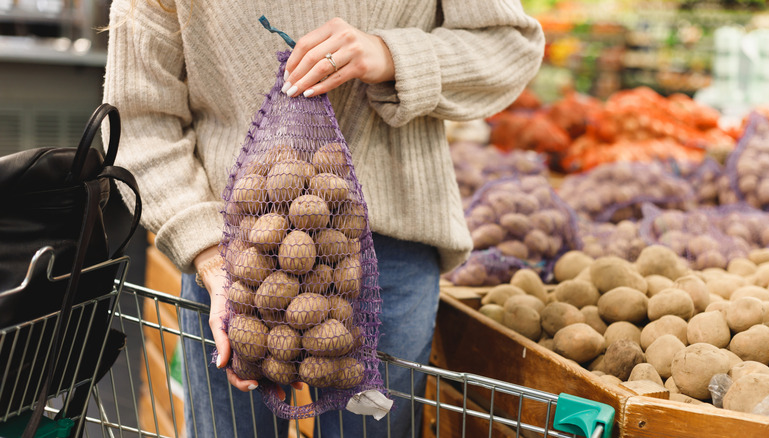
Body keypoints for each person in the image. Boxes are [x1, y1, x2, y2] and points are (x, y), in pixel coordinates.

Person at [103, 1, 544, 437]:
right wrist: (211, 258)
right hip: (235, 264)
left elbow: (509, 46)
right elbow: (138, 121)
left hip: (384, 263)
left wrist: (392, 55)